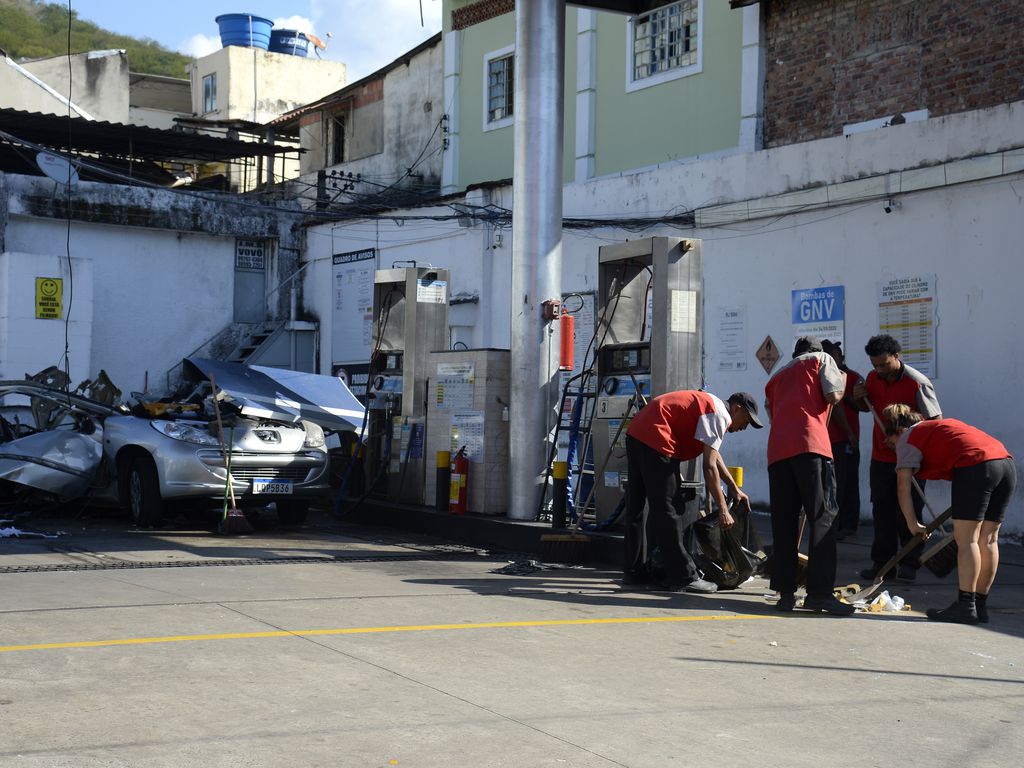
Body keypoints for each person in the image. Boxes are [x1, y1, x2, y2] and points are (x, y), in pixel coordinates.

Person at [884, 404, 1016, 624]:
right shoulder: (939, 427)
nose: (893, 449)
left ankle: (966, 606)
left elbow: (902, 487)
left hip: (976, 466)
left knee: (968, 541)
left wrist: (912, 523)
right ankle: (979, 606)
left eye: (891, 443)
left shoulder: (908, 437)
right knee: (989, 540)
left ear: (898, 431)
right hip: (1005, 464)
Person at [624, 390, 762, 594]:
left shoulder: (712, 406)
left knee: (636, 508)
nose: (745, 427)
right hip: (657, 437)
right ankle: (683, 576)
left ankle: (635, 572)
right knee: (669, 509)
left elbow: (714, 457)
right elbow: (709, 467)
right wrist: (723, 509)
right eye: (747, 420)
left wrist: (734, 488)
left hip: (637, 432)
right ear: (737, 409)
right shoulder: (719, 415)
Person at [765, 336, 852, 615]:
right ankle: (820, 594)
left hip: (778, 452)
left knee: (784, 522)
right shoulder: (822, 360)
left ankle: (786, 594)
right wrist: (841, 376)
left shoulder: (776, 377)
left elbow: (774, 413)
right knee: (823, 517)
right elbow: (833, 394)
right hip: (810, 446)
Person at [851, 334, 941, 583]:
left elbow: (935, 421)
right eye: (875, 365)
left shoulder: (917, 383)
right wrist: (859, 397)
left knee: (909, 512)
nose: (879, 370)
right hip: (881, 457)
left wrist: (910, 439)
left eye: (883, 364)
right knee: (882, 512)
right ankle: (884, 565)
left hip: (911, 458)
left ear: (896, 357)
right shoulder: (872, 379)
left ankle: (910, 564)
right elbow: (864, 407)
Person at [821, 340, 862, 539]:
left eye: (832, 353)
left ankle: (847, 524)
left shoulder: (853, 377)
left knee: (847, 483)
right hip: (830, 440)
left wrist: (849, 434)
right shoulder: (824, 376)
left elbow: (863, 405)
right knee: (834, 484)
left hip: (846, 440)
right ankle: (835, 525)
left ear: (838, 354)